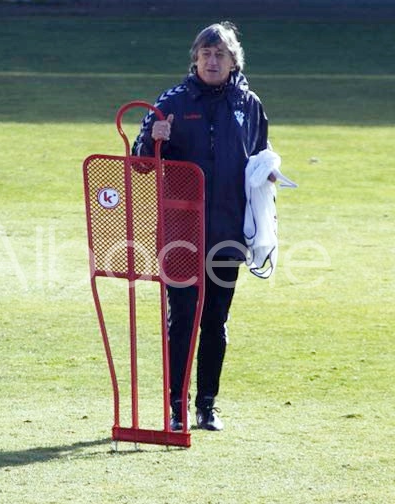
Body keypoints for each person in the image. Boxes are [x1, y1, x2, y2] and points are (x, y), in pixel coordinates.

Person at [132, 21, 269, 431]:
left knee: (215, 321)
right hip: (180, 233)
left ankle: (207, 406)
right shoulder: (171, 101)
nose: (212, 61)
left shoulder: (249, 104)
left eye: (220, 54)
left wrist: (269, 173)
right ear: (194, 59)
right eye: (206, 54)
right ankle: (176, 407)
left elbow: (262, 156)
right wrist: (153, 139)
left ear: (233, 61)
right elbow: (140, 163)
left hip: (227, 233)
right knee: (182, 318)